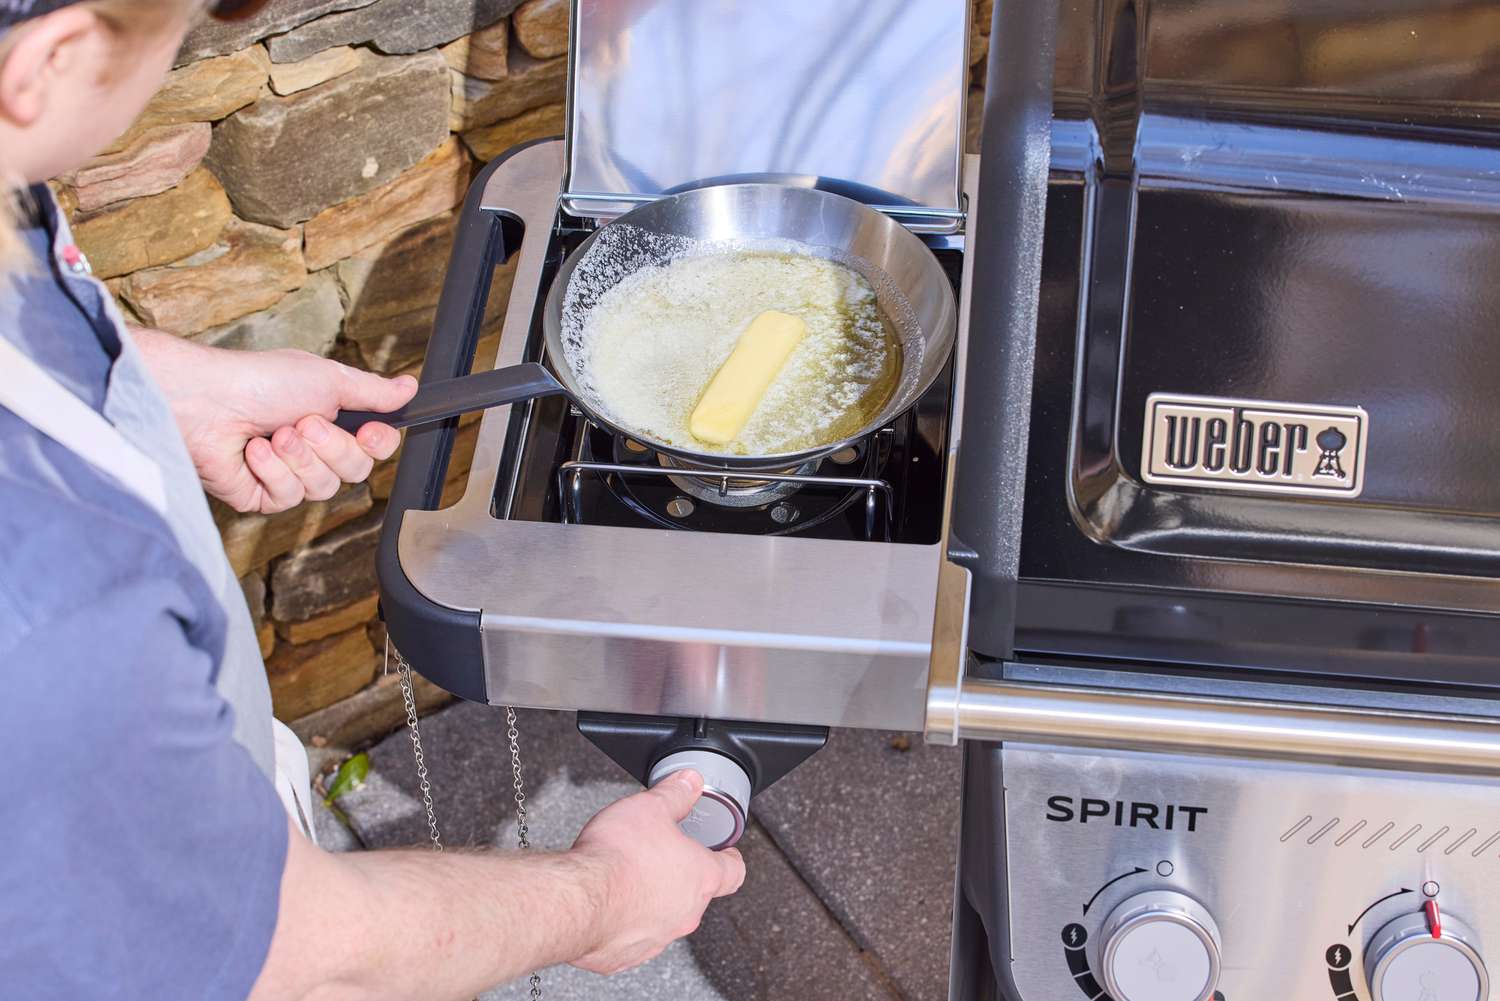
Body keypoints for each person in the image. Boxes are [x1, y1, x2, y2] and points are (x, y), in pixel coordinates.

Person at [0, 1, 746, 998]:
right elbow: (289, 950)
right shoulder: (55, 608)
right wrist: (606, 891)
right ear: (44, 65)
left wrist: (145, 384)